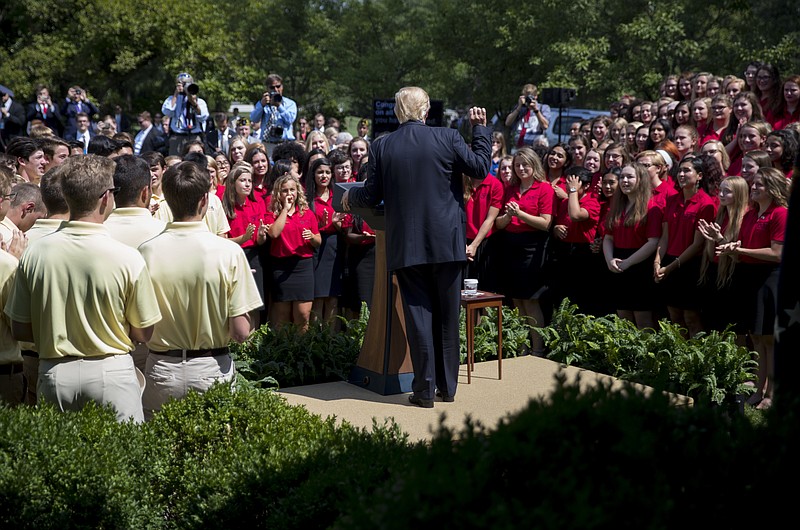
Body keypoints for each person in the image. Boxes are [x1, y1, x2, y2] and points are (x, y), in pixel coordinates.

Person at [343, 86, 490, 408]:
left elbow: (369, 196)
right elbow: (480, 168)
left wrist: (348, 197)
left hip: (408, 247)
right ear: (425, 112)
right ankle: (447, 388)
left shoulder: (383, 146)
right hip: (447, 243)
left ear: (398, 112)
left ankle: (424, 391)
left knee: (419, 320)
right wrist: (479, 130)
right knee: (448, 319)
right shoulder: (448, 137)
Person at [5, 155, 162, 423]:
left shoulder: (35, 252)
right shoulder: (127, 256)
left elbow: (20, 328)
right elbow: (144, 331)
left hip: (55, 372)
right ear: (105, 198)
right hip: (113, 371)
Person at [138, 161, 261, 420]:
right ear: (206, 201)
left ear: (168, 200)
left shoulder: (146, 251)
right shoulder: (229, 252)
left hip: (162, 367)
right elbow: (241, 332)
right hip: (211, 367)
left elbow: (139, 328)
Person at [715, 167, 789, 410]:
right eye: (753, 184)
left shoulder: (780, 213)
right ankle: (758, 389)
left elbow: (777, 253)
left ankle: (772, 393)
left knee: (769, 339)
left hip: (770, 279)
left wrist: (740, 250)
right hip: (748, 277)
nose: (753, 188)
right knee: (756, 337)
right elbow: (740, 251)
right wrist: (723, 242)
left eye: (760, 184)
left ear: (773, 188)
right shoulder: (750, 214)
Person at [104, 155, 167, 372]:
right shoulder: (165, 234)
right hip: (156, 345)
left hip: (105, 344)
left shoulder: (97, 231)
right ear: (146, 192)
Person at [493, 147, 553, 355]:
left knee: (530, 298)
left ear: (533, 165)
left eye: (525, 164)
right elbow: (499, 224)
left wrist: (519, 213)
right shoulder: (510, 188)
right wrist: (509, 216)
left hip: (532, 246)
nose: (520, 169)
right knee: (516, 299)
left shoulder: (544, 188)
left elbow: (546, 223)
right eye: (517, 165)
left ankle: (538, 348)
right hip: (510, 245)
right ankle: (521, 347)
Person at [654, 155, 717, 337]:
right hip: (668, 262)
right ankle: (678, 359)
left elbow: (697, 244)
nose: (681, 174)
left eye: (687, 170)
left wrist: (671, 267)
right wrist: (657, 262)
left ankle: (694, 362)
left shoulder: (705, 204)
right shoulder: (673, 200)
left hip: (690, 266)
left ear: (699, 176)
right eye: (680, 170)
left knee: (691, 317)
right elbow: (664, 236)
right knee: (674, 316)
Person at [602, 162, 661, 330]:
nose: (624, 181)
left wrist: (628, 262)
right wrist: (609, 260)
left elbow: (653, 241)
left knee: (642, 320)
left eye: (630, 177)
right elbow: (608, 237)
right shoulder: (617, 206)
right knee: (623, 318)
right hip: (618, 263)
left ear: (641, 180)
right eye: (622, 177)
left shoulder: (652, 208)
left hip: (639, 265)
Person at [265, 173, 320, 332]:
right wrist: (285, 210)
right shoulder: (272, 214)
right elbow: (274, 233)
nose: (289, 194)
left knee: (303, 315)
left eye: (292, 190)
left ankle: (300, 352)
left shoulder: (307, 213)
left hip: (303, 266)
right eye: (285, 191)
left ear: (298, 191)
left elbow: (318, 241)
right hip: (281, 266)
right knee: (282, 315)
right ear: (278, 193)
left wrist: (312, 238)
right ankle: (284, 351)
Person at [304, 157, 345, 326]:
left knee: (333, 298)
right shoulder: (307, 198)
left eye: (327, 172)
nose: (324, 176)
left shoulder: (338, 195)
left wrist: (336, 225)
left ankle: (331, 341)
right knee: (318, 298)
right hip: (315, 248)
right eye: (320, 172)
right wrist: (318, 226)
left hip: (334, 247)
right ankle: (317, 341)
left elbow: (346, 225)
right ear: (313, 174)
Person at [161, 72, 209, 156]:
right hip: (177, 137)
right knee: (175, 162)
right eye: (183, 84)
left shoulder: (199, 101)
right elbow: (167, 112)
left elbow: (203, 117)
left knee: (196, 162)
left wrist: (193, 102)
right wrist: (175, 94)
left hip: (194, 136)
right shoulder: (172, 99)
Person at [250, 74, 297, 154]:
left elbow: (290, 120)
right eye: (272, 87)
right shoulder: (263, 103)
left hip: (285, 143)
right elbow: (254, 119)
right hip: (268, 144)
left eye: (278, 86)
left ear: (282, 87)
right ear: (267, 89)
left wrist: (279, 106)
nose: (275, 89)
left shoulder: (290, 104)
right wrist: (262, 105)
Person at [505, 83, 551, 151]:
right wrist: (519, 107)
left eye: (530, 97)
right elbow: (507, 123)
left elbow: (545, 126)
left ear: (535, 96)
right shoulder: (519, 108)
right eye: (526, 97)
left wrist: (536, 110)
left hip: (535, 147)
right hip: (519, 146)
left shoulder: (543, 108)